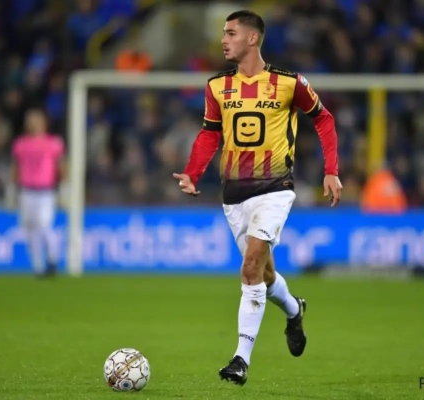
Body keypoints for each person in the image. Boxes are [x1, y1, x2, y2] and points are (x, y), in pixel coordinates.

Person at [172, 10, 342, 385]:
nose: (223, 40)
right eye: (223, 33)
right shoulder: (217, 86)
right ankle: (294, 309)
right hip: (234, 195)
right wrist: (193, 172)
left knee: (250, 266)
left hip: (275, 188)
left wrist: (331, 169)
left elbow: (324, 118)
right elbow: (210, 133)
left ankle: (240, 360)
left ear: (252, 38)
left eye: (231, 33)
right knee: (263, 275)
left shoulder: (289, 83)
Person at [10, 108, 67, 277]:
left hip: (45, 191)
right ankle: (38, 266)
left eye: (35, 120)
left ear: (43, 123)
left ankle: (52, 257)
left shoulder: (53, 143)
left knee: (43, 225)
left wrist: (65, 187)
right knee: (29, 229)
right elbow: (16, 167)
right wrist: (12, 188)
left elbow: (61, 166)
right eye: (29, 121)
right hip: (26, 190)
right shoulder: (21, 144)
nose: (32, 124)